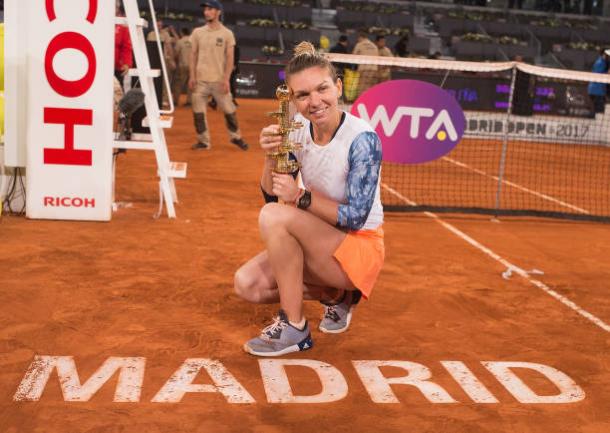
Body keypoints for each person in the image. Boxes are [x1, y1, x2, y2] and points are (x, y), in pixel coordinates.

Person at [234, 42, 385, 356]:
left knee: (275, 217)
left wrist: (300, 197)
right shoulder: (299, 130)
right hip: (320, 240)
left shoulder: (362, 139)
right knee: (247, 284)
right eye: (302, 95)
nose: (314, 101)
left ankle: (294, 326)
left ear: (338, 87)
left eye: (322, 89)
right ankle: (335, 296)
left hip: (358, 248)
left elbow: (356, 216)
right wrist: (271, 155)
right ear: (293, 99)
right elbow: (270, 194)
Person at [189, 0, 249, 151]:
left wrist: (226, 79)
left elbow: (230, 58)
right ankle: (203, 141)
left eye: (210, 9)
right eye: (205, 9)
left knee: (230, 110)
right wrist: (192, 76)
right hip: (200, 81)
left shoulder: (227, 34)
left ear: (218, 12)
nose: (206, 12)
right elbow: (193, 55)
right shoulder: (197, 32)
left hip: (219, 81)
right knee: (198, 113)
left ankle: (236, 137)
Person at [352, 30, 379, 99]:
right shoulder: (374, 46)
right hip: (374, 69)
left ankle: (361, 103)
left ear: (360, 37)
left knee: (361, 88)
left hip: (364, 68)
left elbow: (353, 56)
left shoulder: (359, 44)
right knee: (371, 89)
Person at [172, 27, 193, 107]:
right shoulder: (193, 42)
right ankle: (189, 102)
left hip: (182, 65)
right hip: (192, 66)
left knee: (178, 84)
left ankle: (175, 101)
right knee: (190, 84)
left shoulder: (180, 42)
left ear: (181, 33)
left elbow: (176, 53)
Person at [587, 48, 610, 116]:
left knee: (598, 112)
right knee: (599, 112)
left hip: (598, 91)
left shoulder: (603, 62)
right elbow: (599, 75)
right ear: (604, 54)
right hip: (597, 91)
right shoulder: (600, 63)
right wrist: (608, 73)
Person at [114, 5, 132, 85]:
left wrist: (127, 63)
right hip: (99, 65)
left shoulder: (123, 24)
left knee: (118, 92)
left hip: (117, 66)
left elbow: (127, 46)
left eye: (115, 7)